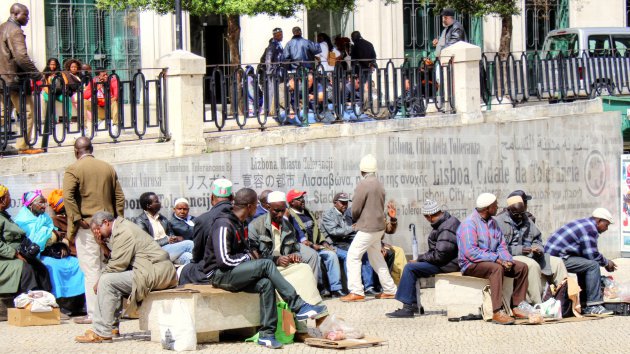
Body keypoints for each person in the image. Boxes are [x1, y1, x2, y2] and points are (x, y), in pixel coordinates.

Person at [187, 188, 325, 349]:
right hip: (219, 274)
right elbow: (224, 261)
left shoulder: (241, 222)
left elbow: (249, 252)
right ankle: (298, 305)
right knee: (266, 265)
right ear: (250, 205)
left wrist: (253, 256)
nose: (259, 208)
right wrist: (248, 258)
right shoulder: (224, 223)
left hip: (234, 272)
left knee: (266, 283)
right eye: (257, 205)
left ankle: (267, 334)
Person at [74, 211, 177, 343]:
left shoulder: (124, 231)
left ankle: (101, 331)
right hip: (154, 271)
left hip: (156, 271)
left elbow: (117, 264)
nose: (96, 234)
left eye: (97, 230)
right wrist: (101, 244)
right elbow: (116, 260)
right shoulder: (120, 228)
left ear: (106, 222)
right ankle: (111, 327)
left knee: (106, 281)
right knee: (112, 280)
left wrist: (99, 281)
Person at [248, 190, 329, 341]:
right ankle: (303, 327)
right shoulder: (256, 226)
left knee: (304, 269)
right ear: (267, 207)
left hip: (285, 267)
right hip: (266, 268)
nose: (279, 214)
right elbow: (254, 257)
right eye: (276, 211)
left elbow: (294, 249)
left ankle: (320, 316)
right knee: (292, 279)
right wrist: (276, 260)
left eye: (282, 210)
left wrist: (293, 255)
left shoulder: (287, 225)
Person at [63, 136, 125, 325]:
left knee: (91, 270)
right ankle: (113, 311)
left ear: (76, 151)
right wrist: (117, 222)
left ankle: (94, 314)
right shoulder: (107, 167)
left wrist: (76, 222)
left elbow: (68, 198)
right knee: (109, 268)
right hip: (108, 227)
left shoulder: (73, 169)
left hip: (88, 228)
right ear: (92, 149)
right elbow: (119, 197)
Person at [457, 193, 529, 325]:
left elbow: (501, 245)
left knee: (521, 267)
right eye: (495, 205)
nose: (497, 207)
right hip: (471, 264)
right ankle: (497, 311)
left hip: (492, 260)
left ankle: (518, 306)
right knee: (496, 269)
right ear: (487, 208)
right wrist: (497, 260)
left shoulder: (493, 223)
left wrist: (507, 260)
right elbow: (471, 252)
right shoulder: (469, 224)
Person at [14, 190, 85, 314]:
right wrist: (50, 234)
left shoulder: (45, 218)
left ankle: (76, 303)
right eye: (40, 203)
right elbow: (33, 239)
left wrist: (61, 244)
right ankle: (58, 303)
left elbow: (55, 234)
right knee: (54, 267)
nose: (44, 206)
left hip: (51, 250)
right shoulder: (22, 221)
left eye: (45, 202)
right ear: (31, 204)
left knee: (76, 264)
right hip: (36, 254)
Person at [386, 200, 460, 318]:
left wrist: (420, 259)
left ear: (430, 216)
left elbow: (440, 255)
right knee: (413, 267)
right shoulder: (445, 222)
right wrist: (423, 259)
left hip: (448, 264)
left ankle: (408, 308)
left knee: (410, 268)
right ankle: (413, 304)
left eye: (426, 218)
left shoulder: (446, 227)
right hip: (446, 261)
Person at [341, 154, 398, 302]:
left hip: (367, 227)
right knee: (377, 259)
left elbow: (356, 208)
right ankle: (390, 289)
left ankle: (356, 291)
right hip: (379, 227)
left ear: (362, 171)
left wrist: (355, 218)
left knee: (353, 256)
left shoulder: (363, 184)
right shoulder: (379, 184)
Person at [495, 195, 567, 305]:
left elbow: (537, 239)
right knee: (532, 265)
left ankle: (564, 302)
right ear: (508, 210)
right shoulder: (498, 222)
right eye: (516, 214)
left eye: (522, 213)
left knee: (558, 263)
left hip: (531, 254)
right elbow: (498, 248)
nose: (519, 216)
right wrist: (521, 250)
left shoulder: (527, 220)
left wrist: (538, 249)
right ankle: (538, 304)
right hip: (511, 255)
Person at [545, 208, 617, 316]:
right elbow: (592, 255)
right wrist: (607, 263)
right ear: (598, 221)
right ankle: (593, 305)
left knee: (586, 264)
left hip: (556, 256)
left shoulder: (585, 224)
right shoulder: (589, 229)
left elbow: (587, 254)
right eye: (606, 225)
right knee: (592, 266)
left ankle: (584, 304)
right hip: (555, 259)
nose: (606, 229)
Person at [0, 3, 44, 154]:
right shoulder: (15, 31)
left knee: (4, 113)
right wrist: (38, 75)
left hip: (2, 80)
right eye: (26, 14)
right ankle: (23, 146)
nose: (28, 18)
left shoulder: (1, 28)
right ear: (15, 14)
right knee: (28, 112)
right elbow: (21, 58)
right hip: (14, 81)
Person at [287, 189, 345, 298]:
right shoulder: (290, 216)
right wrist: (313, 246)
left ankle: (336, 288)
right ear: (291, 203)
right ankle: (321, 288)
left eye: (302, 198)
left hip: (317, 245)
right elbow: (297, 238)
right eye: (299, 199)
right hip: (305, 249)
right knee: (316, 258)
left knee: (332, 255)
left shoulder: (307, 212)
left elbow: (317, 230)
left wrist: (323, 241)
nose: (302, 201)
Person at [320, 192, 378, 295]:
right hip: (334, 245)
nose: (345, 205)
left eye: (346, 203)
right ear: (335, 203)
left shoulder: (347, 214)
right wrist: (352, 228)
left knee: (364, 251)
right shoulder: (328, 215)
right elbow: (335, 232)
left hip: (347, 243)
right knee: (349, 256)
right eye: (342, 203)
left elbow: (352, 231)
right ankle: (352, 289)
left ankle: (369, 287)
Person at [0, 185, 51, 296]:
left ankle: (45, 301)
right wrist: (15, 254)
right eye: (8, 196)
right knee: (26, 269)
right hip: (4, 258)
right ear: (2, 200)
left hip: (17, 253)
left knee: (41, 269)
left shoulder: (4, 216)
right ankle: (28, 303)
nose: (10, 198)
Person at [133, 192, 194, 265]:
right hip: (155, 252)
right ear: (148, 205)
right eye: (156, 202)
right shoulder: (140, 221)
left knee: (188, 257)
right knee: (189, 244)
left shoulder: (162, 219)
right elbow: (146, 244)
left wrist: (175, 238)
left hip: (170, 249)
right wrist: (167, 240)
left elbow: (170, 235)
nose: (159, 203)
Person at [189, 178, 234, 267]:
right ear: (232, 198)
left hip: (210, 270)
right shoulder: (241, 216)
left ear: (211, 197)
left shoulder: (202, 220)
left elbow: (197, 255)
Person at [83, 68, 120, 133]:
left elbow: (116, 96)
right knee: (84, 102)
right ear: (98, 77)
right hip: (100, 110)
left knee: (114, 102)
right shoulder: (94, 81)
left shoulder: (113, 80)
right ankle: (84, 129)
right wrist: (96, 88)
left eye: (106, 74)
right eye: (103, 75)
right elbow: (85, 96)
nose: (106, 76)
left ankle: (115, 125)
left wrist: (106, 100)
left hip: (110, 110)